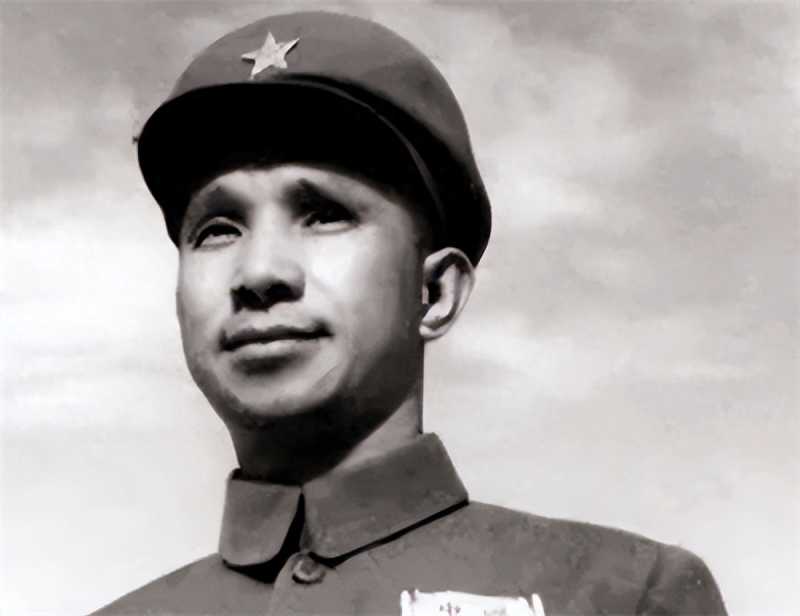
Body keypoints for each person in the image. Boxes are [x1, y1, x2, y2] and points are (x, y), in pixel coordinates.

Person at [94, 11, 727, 616]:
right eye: (217, 230)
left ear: (437, 290)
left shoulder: (622, 597)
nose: (259, 274)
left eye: (325, 215)